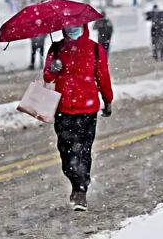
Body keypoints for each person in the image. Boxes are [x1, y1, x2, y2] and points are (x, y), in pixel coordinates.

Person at [43, 24, 113, 211]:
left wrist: (108, 100)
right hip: (63, 109)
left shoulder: (95, 49)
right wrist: (54, 67)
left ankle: (80, 190)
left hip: (87, 110)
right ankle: (76, 181)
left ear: (84, 26)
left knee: (83, 150)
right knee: (66, 152)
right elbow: (47, 76)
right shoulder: (56, 48)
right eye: (68, 26)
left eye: (76, 26)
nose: (72, 29)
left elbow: (103, 77)